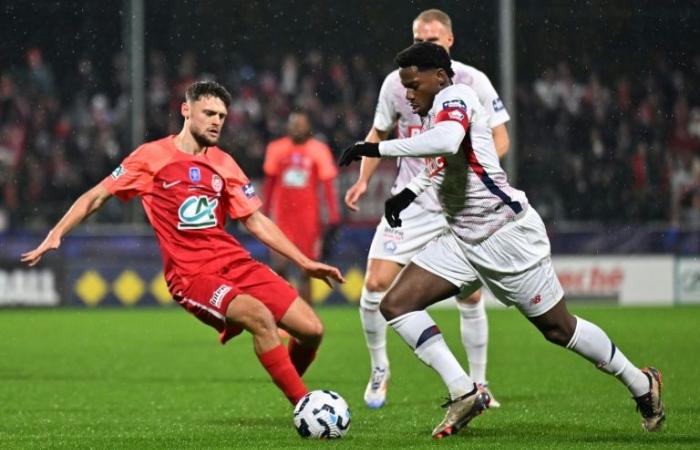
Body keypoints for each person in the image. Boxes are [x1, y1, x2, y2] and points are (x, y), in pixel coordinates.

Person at [338, 42, 664, 438]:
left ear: (438, 76)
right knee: (396, 303)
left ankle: (641, 383)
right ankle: (463, 391)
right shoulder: (432, 112)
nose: (407, 94)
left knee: (559, 329)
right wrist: (408, 193)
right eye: (404, 86)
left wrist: (374, 147)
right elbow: (443, 160)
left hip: (505, 234)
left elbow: (444, 141)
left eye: (413, 85)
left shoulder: (456, 95)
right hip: (463, 239)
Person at [22, 81, 345, 408]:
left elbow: (256, 220)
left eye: (222, 115)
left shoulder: (224, 163)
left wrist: (303, 261)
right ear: (186, 110)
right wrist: (57, 232)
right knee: (260, 317)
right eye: (209, 113)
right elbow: (97, 196)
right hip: (192, 276)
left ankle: (294, 390)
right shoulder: (151, 157)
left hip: (235, 263)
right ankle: (304, 405)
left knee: (313, 330)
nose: (217, 121)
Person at [344, 9, 509, 409]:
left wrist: (476, 167)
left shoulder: (474, 82)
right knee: (375, 285)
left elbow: (500, 138)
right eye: (419, 37)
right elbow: (379, 131)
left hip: (456, 202)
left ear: (449, 42)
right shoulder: (397, 82)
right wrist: (364, 179)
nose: (425, 44)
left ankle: (479, 383)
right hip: (412, 200)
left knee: (469, 297)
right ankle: (380, 368)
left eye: (433, 39)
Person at [263, 110, 340, 303]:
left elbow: (328, 186)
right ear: (287, 127)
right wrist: (264, 212)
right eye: (293, 124)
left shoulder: (319, 150)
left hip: (308, 218)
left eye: (301, 124)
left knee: (307, 270)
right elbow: (270, 183)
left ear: (309, 127)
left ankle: (306, 322)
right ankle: (288, 313)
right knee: (279, 266)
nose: (297, 127)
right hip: (282, 216)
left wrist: (332, 214)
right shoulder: (276, 148)